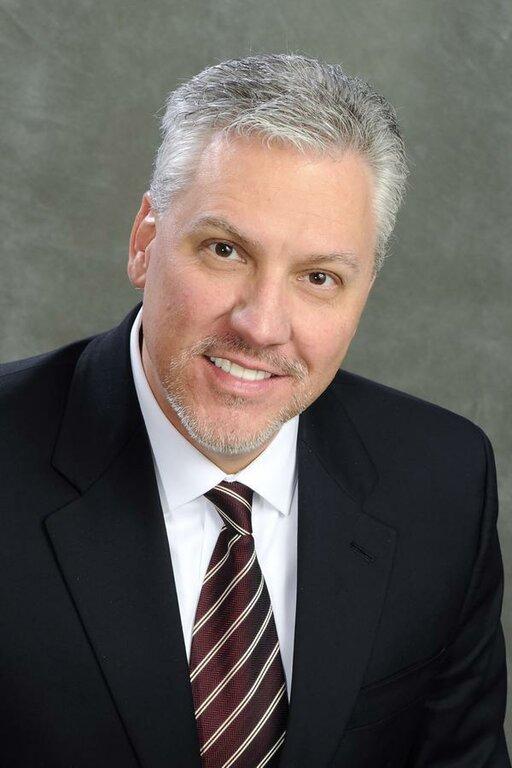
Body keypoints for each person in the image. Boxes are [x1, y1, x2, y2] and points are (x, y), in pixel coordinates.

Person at [0, 53, 508, 768]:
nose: (263, 326)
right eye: (225, 250)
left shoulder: (443, 482)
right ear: (145, 241)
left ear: (364, 291)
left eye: (319, 277)